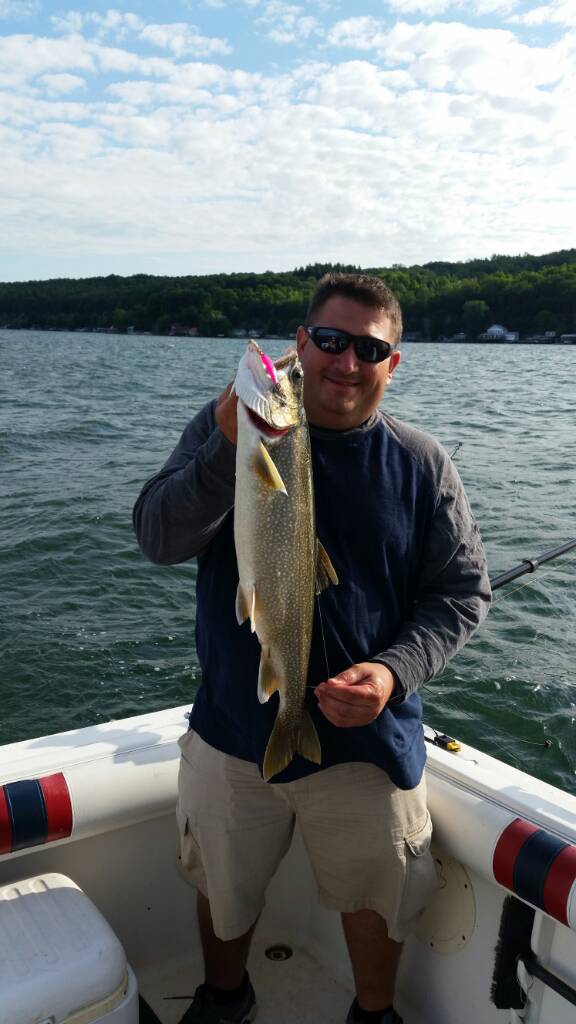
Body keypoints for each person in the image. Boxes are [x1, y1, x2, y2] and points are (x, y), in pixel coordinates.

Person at [133, 273, 491, 1024]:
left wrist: (393, 673)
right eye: (330, 340)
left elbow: (461, 594)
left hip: (369, 742)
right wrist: (225, 444)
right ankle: (224, 999)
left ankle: (374, 1013)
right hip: (233, 729)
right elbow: (159, 537)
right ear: (301, 344)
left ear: (394, 363)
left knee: (378, 896)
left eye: (370, 349)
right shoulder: (228, 430)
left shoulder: (422, 463)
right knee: (223, 886)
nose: (347, 362)